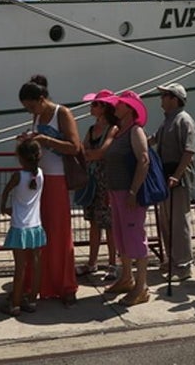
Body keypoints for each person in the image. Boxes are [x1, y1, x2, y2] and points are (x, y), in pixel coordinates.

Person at [19, 75, 80, 305]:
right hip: (39, 178)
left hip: (57, 178)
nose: (30, 110)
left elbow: (74, 147)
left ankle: (65, 285)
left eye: (32, 106)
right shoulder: (37, 115)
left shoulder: (61, 113)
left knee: (59, 232)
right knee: (38, 232)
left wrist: (45, 139)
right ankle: (39, 282)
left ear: (42, 99)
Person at [99, 90, 151, 307]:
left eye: (120, 104)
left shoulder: (135, 131)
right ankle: (127, 278)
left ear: (130, 109)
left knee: (135, 238)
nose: (116, 107)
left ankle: (142, 287)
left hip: (129, 194)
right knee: (122, 237)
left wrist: (133, 190)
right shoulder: (121, 131)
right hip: (117, 192)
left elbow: (144, 160)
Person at [153, 82, 195, 281]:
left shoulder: (184, 120)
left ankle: (184, 263)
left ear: (174, 99)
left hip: (177, 177)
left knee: (180, 222)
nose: (161, 99)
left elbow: (189, 151)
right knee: (167, 221)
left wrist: (177, 176)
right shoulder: (167, 121)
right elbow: (154, 139)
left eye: (165, 96)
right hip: (165, 177)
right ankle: (172, 258)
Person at [0, 137, 46, 315]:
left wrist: (4, 206)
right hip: (36, 225)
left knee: (20, 267)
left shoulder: (18, 176)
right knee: (36, 264)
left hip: (19, 226)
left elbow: (6, 190)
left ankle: (15, 304)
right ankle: (32, 300)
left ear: (20, 158)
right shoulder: (40, 174)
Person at [77, 90, 118, 281]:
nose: (91, 107)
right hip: (93, 178)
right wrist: (89, 154)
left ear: (103, 107)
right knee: (93, 221)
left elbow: (101, 152)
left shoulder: (113, 128)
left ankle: (112, 263)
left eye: (94, 104)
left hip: (106, 180)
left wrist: (89, 154)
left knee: (109, 223)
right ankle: (92, 262)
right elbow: (85, 150)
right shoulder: (92, 129)